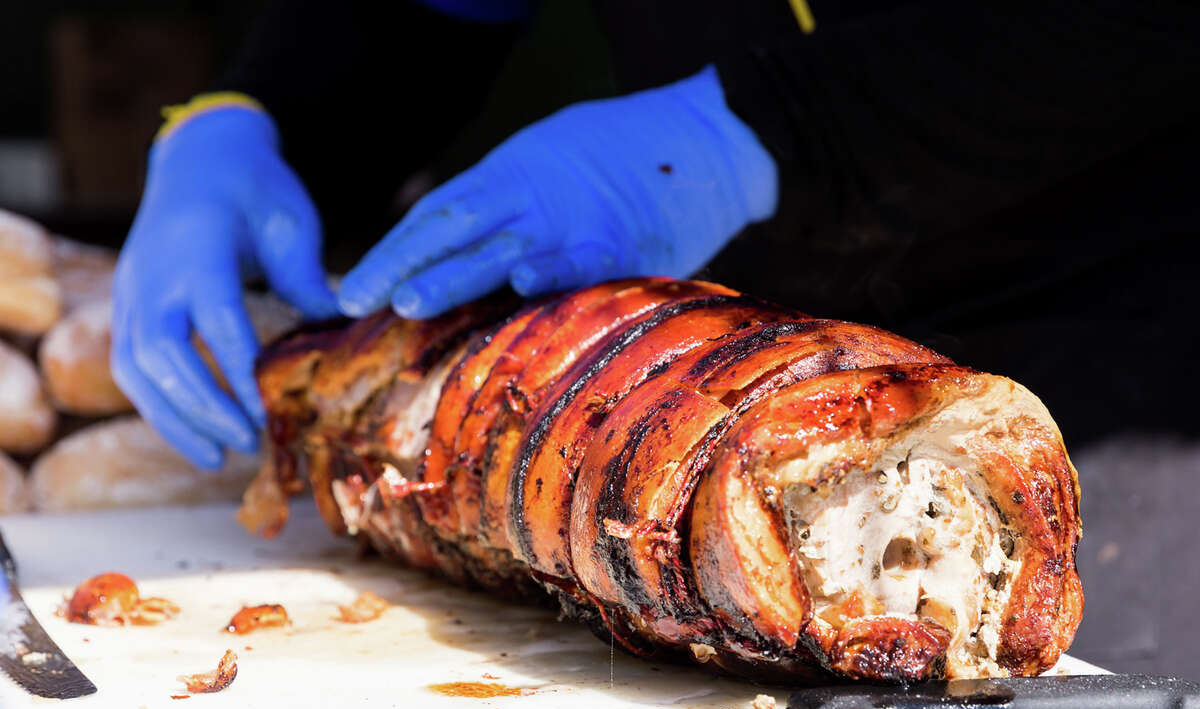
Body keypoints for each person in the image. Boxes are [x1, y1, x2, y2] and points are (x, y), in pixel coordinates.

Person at [112, 0, 1199, 471]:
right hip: (732, 371)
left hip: (1123, 336)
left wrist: (756, 132)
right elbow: (418, 6)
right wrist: (245, 123)